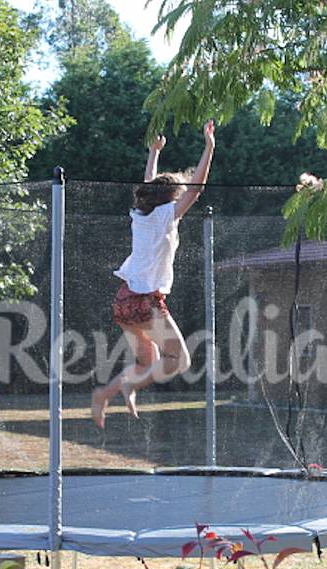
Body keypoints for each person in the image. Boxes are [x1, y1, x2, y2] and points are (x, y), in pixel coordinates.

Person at [91, 121, 216, 429]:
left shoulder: (141, 214)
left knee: (146, 362)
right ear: (171, 197)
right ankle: (129, 387)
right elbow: (197, 190)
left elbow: (150, 183)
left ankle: (104, 395)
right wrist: (209, 147)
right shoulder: (166, 215)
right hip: (145, 302)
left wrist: (153, 153)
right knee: (179, 360)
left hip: (123, 301)